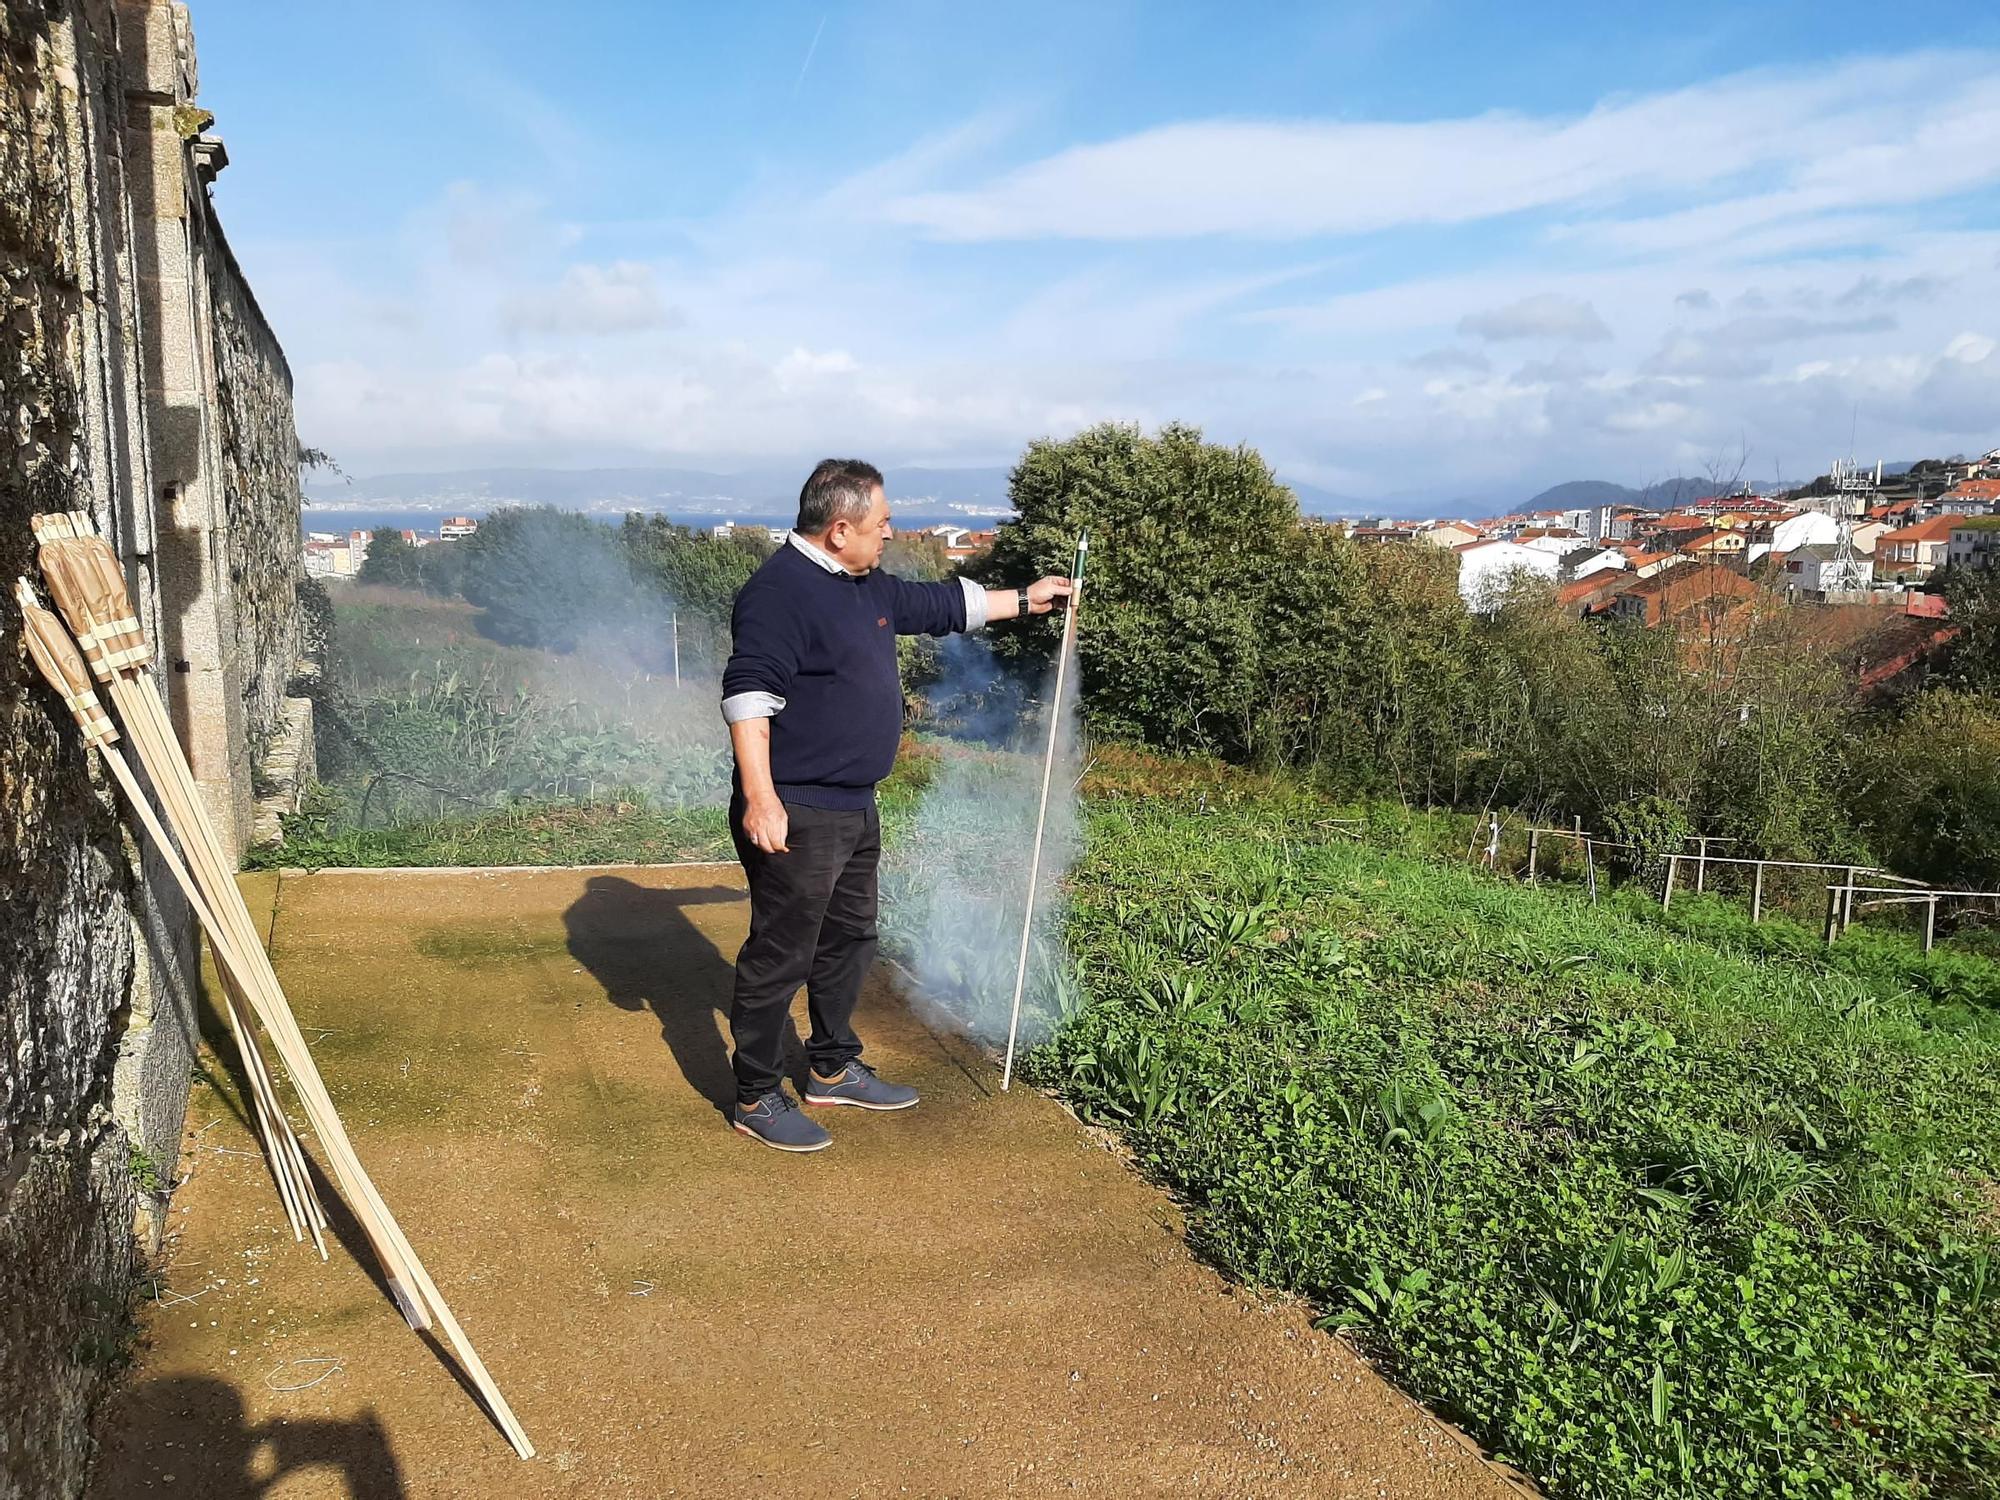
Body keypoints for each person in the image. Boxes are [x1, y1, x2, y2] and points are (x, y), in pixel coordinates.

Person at [718, 459, 1073, 1151]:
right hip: (796, 806)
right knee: (781, 953)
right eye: (881, 525)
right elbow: (749, 697)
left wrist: (1030, 600)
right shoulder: (778, 594)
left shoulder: (863, 581)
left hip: (854, 802)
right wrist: (761, 799)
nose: (890, 535)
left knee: (851, 937)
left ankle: (830, 1066)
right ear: (839, 527)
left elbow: (942, 606)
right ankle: (757, 1096)